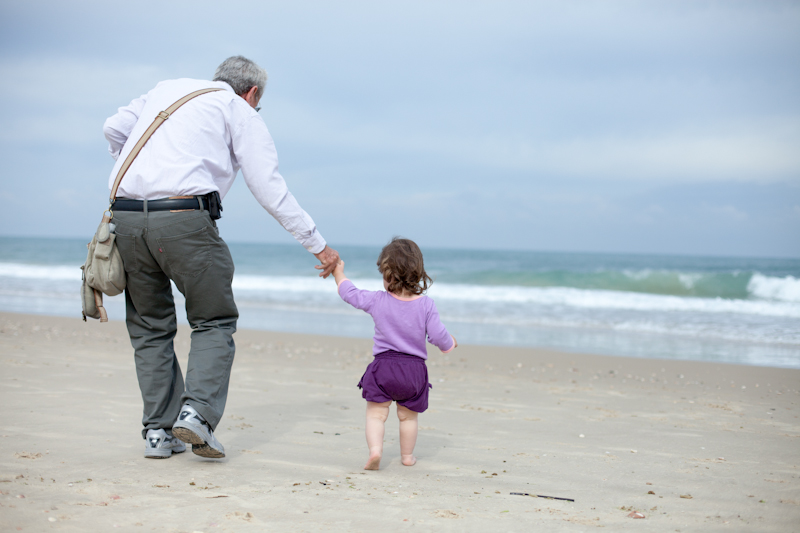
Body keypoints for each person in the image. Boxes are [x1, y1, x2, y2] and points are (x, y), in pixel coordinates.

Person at [103, 56, 339, 460]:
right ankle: (196, 415)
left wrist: (144, 177)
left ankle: (159, 435)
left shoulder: (166, 88)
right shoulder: (237, 109)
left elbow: (112, 129)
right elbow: (268, 185)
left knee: (149, 327)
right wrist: (318, 245)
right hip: (184, 219)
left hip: (124, 217)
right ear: (253, 94)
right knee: (213, 319)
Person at [331, 238, 457, 470]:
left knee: (376, 415)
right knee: (408, 417)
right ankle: (407, 456)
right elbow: (439, 336)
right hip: (413, 372)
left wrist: (339, 273)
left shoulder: (377, 300)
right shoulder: (427, 305)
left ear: (387, 275)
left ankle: (375, 451)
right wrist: (450, 344)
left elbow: (350, 293)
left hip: (383, 369)